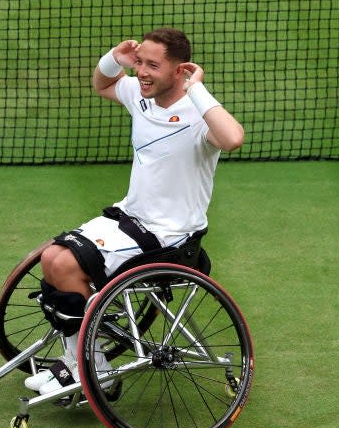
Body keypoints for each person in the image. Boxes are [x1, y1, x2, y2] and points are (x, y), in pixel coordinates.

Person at [24, 27, 244, 396]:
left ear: (179, 71)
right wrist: (115, 58)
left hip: (171, 237)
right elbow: (103, 84)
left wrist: (197, 89)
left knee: (61, 263)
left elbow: (233, 138)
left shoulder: (199, 115)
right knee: (51, 258)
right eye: (140, 62)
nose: (141, 72)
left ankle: (87, 366)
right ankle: (85, 360)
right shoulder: (142, 97)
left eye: (152, 65)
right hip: (128, 219)